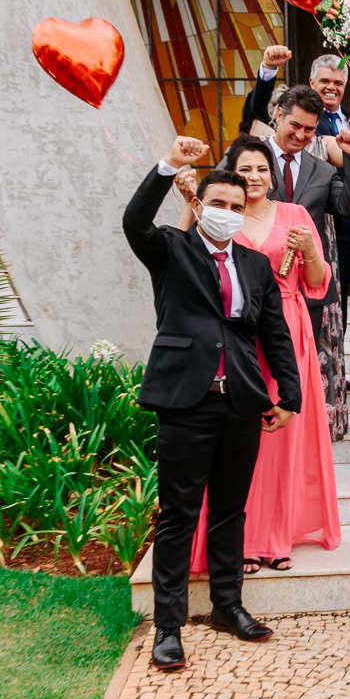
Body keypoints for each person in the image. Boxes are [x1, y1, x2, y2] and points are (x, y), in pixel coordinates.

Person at [123, 140, 301, 669]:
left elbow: (274, 333)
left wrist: (287, 395)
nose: (227, 213)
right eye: (217, 204)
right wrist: (168, 166)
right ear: (200, 206)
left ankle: (228, 606)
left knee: (229, 510)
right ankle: (168, 627)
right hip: (185, 401)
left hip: (241, 402)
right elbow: (134, 222)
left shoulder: (254, 263)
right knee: (179, 516)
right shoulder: (172, 249)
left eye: (236, 205)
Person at [178, 135, 341, 575]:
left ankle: (277, 536)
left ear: (274, 174)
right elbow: (185, 261)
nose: (254, 177)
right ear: (232, 172)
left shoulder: (294, 214)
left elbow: (319, 283)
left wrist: (309, 251)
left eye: (262, 169)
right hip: (234, 336)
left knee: (281, 437)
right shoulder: (220, 216)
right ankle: (243, 538)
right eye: (245, 169)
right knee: (240, 438)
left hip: (287, 329)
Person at [264, 85, 350, 438]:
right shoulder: (249, 157)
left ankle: (300, 433)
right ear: (279, 114)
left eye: (309, 130)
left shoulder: (322, 170)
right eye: (295, 125)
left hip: (306, 287)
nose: (301, 135)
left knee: (299, 364)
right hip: (257, 281)